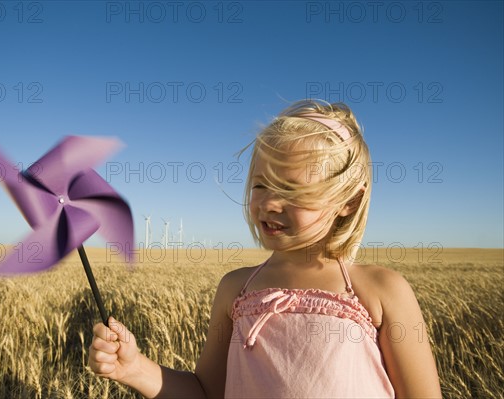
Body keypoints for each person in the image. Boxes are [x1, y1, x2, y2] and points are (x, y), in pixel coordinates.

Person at [88, 99, 442, 398]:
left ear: (348, 201)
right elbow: (207, 392)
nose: (270, 203)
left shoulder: (379, 291)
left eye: (292, 190)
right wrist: (135, 368)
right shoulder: (235, 289)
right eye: (261, 184)